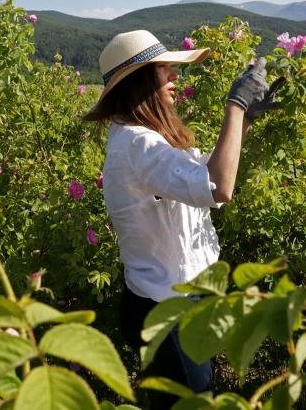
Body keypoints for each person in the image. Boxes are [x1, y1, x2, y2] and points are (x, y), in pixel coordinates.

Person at [83, 30, 282, 408]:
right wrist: (236, 106)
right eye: (165, 70)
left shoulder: (139, 139)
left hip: (158, 302)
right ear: (141, 80)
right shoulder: (139, 144)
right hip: (167, 311)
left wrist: (245, 121)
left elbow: (199, 177)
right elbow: (217, 186)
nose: (176, 77)